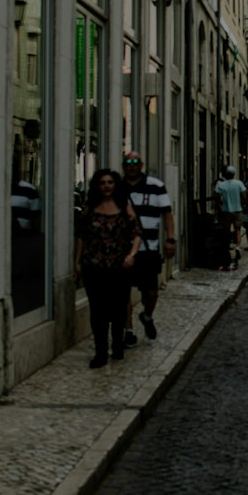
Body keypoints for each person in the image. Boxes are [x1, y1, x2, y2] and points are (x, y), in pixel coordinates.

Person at [74, 170, 141, 367]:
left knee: (119, 308)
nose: (106, 186)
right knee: (98, 310)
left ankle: (118, 345)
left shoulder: (125, 208)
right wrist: (76, 261)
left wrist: (132, 255)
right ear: (97, 185)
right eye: (102, 182)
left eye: (110, 182)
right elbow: (81, 237)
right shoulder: (89, 209)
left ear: (115, 185)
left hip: (119, 267)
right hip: (93, 267)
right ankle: (101, 352)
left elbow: (137, 233)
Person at [121, 152, 175, 344]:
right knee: (123, 291)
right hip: (124, 250)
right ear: (123, 166)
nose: (132, 166)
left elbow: (167, 214)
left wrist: (170, 239)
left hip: (149, 248)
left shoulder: (156, 186)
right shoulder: (118, 188)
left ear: (141, 165)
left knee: (150, 292)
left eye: (135, 162)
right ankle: (128, 330)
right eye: (128, 163)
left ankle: (147, 316)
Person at [214, 165, 246, 271]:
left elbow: (217, 197)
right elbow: (244, 195)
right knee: (237, 229)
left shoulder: (221, 185)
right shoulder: (239, 183)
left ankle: (228, 247)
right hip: (237, 210)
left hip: (226, 211)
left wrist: (220, 206)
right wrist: (243, 204)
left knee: (226, 231)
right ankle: (237, 246)